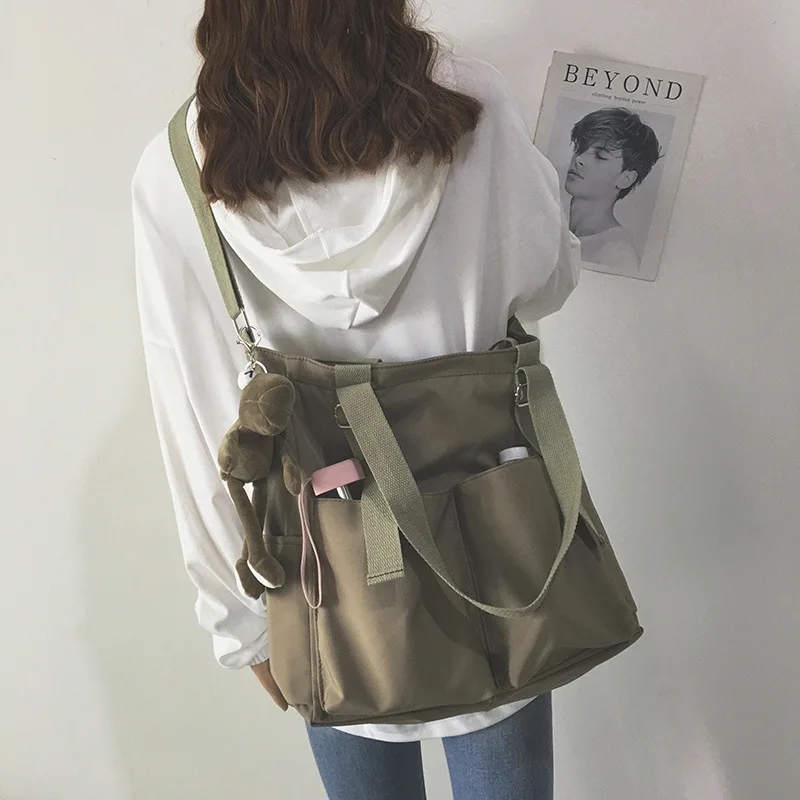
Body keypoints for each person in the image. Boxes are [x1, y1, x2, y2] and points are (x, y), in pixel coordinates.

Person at [131, 2, 583, 797]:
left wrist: (239, 624)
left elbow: (197, 415)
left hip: (324, 583)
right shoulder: (468, 105)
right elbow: (548, 278)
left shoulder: (177, 170)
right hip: (492, 542)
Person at [563, 107, 663, 273]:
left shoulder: (617, 254)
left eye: (600, 156)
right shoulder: (558, 231)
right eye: (580, 148)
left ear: (626, 179)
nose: (579, 159)